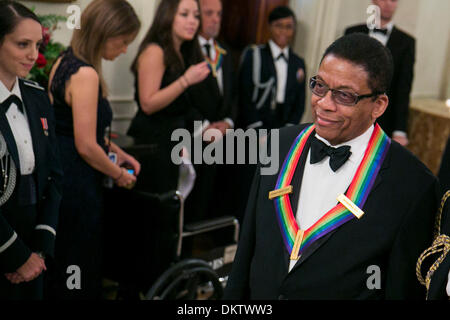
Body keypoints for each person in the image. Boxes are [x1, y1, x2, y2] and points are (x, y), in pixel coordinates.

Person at [224, 33, 440, 299]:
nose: (324, 104)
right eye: (319, 86)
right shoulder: (278, 145)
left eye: (344, 96)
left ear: (378, 105)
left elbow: (400, 290)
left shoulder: (412, 186)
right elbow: (246, 255)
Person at [46, 0, 141, 299]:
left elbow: (80, 128)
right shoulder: (86, 74)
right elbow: (85, 144)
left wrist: (117, 151)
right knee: (78, 258)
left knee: (65, 257)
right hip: (77, 180)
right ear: (104, 33)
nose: (125, 49)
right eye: (123, 41)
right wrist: (119, 173)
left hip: (61, 172)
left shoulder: (64, 60)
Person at [0, 0, 63, 300]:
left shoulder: (37, 98)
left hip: (33, 247)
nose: (33, 55)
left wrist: (38, 248)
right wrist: (15, 256)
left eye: (37, 44)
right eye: (22, 44)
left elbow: (53, 176)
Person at [127, 0, 210, 194]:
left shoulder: (183, 51)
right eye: (184, 14)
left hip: (174, 140)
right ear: (167, 16)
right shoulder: (155, 51)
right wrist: (185, 80)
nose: (192, 21)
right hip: (153, 141)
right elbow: (148, 103)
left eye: (196, 16)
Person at [185, 0, 237, 222]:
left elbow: (235, 94)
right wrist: (204, 126)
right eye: (209, 13)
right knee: (192, 203)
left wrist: (228, 122)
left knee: (216, 200)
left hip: (223, 140)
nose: (216, 19)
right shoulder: (185, 51)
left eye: (219, 13)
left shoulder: (225, 52)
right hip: (191, 138)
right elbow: (182, 96)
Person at [345, 0, 415, 146]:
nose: (389, 4)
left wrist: (400, 130)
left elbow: (403, 88)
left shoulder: (407, 42)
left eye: (393, 0)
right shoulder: (352, 32)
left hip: (384, 121)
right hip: (349, 111)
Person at [238, 5, 306, 130]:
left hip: (283, 124)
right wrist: (257, 128)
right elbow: (244, 94)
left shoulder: (298, 63)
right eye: (279, 25)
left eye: (288, 27)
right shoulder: (254, 55)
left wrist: (289, 129)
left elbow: (300, 102)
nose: (284, 31)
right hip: (255, 124)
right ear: (270, 27)